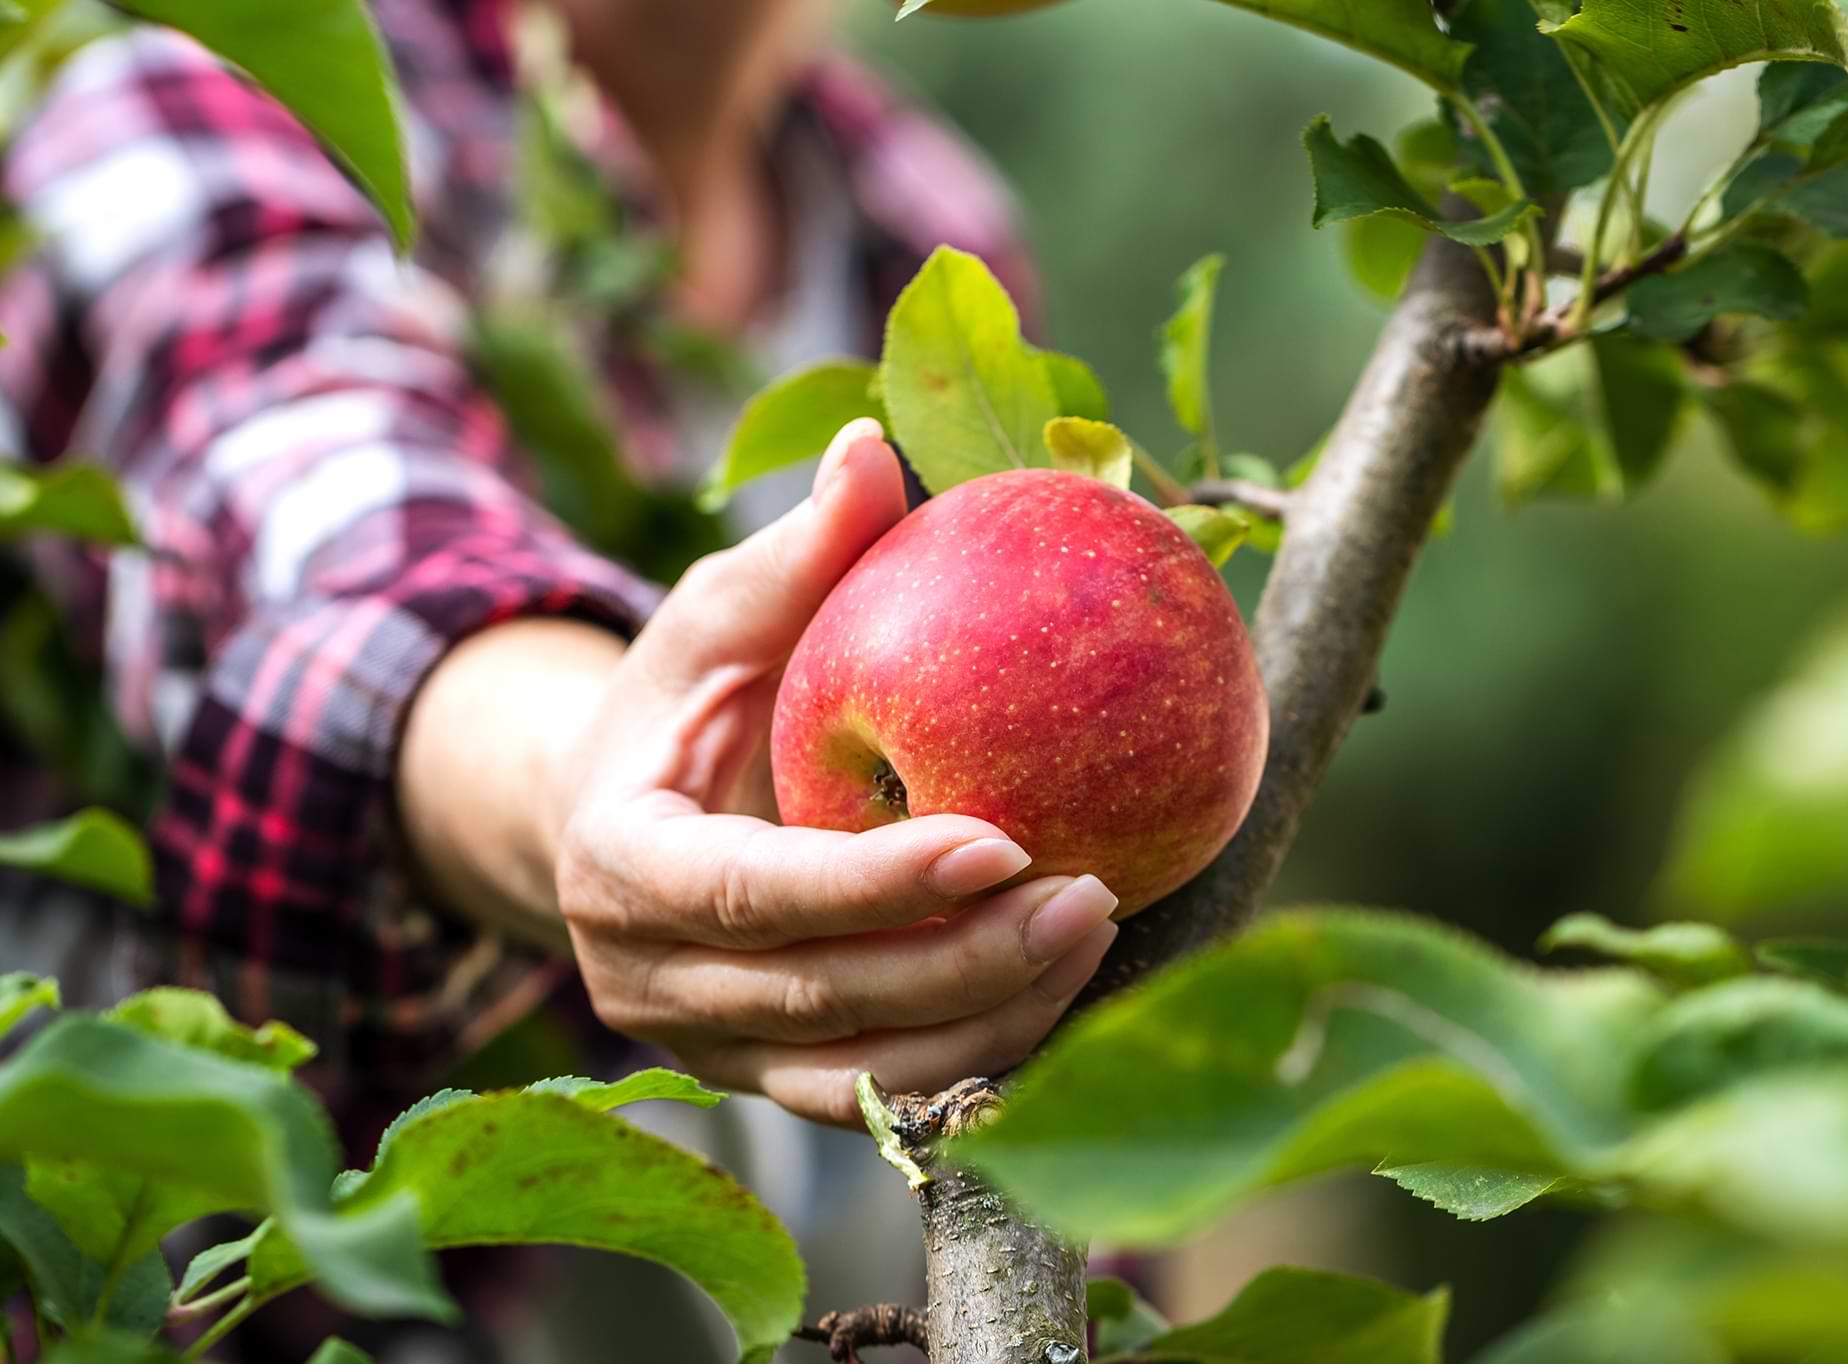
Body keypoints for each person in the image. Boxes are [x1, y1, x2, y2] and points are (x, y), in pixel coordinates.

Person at [0, 0, 1120, 1133]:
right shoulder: (239, 68)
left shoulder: (929, 229)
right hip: (371, 1291)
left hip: (906, 1275)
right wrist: (595, 773)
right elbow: (298, 488)